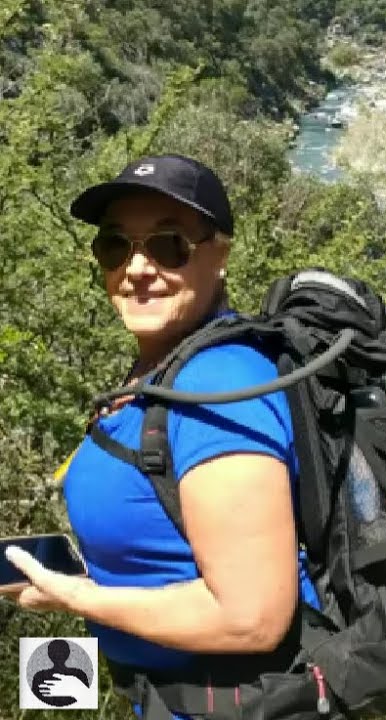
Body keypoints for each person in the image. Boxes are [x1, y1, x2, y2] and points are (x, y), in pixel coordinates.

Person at [1, 154, 321, 719]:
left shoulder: (222, 387)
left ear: (219, 255)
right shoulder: (161, 372)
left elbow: (251, 619)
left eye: (168, 245)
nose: (138, 267)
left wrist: (73, 596)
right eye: (115, 246)